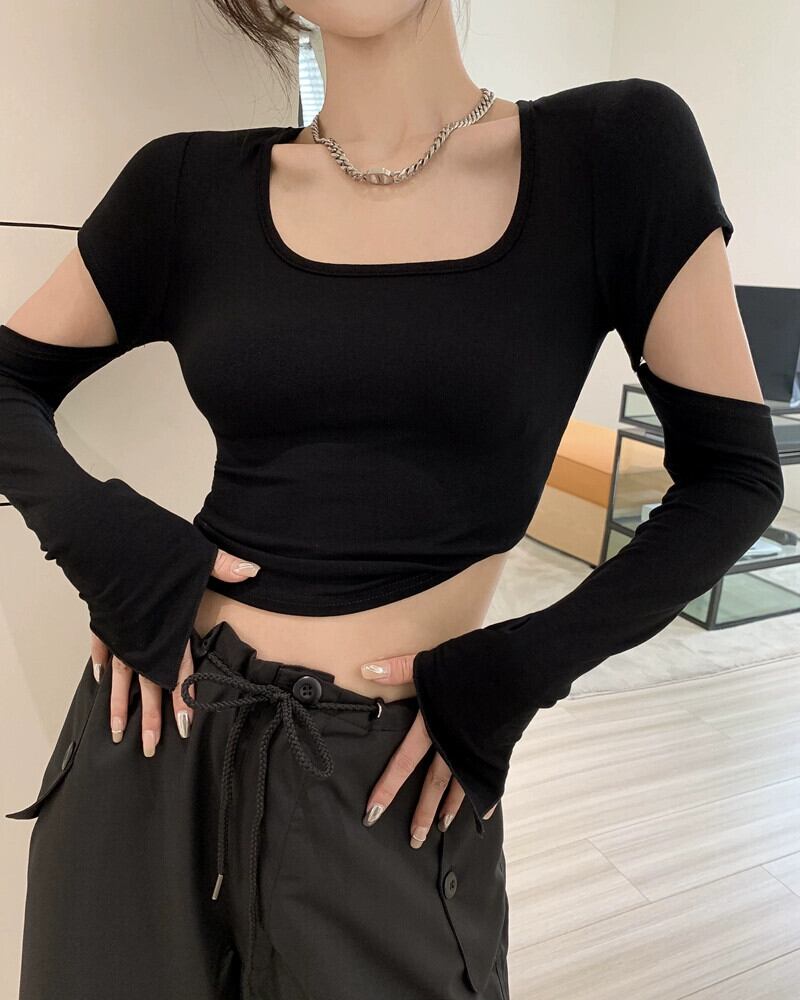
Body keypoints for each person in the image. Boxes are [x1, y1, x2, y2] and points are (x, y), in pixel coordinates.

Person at [0, 1, 783, 998]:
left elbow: (734, 475)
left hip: (388, 781)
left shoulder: (615, 151)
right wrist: (108, 543)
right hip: (154, 739)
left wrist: (523, 665)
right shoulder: (185, 186)